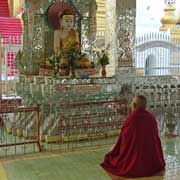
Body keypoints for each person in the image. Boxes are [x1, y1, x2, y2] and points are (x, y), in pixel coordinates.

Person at [101, 95, 165, 179]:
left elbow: (124, 142)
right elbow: (156, 140)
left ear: (134, 105)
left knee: (111, 158)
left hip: (133, 162)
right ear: (145, 106)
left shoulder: (131, 119)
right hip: (151, 161)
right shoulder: (151, 118)